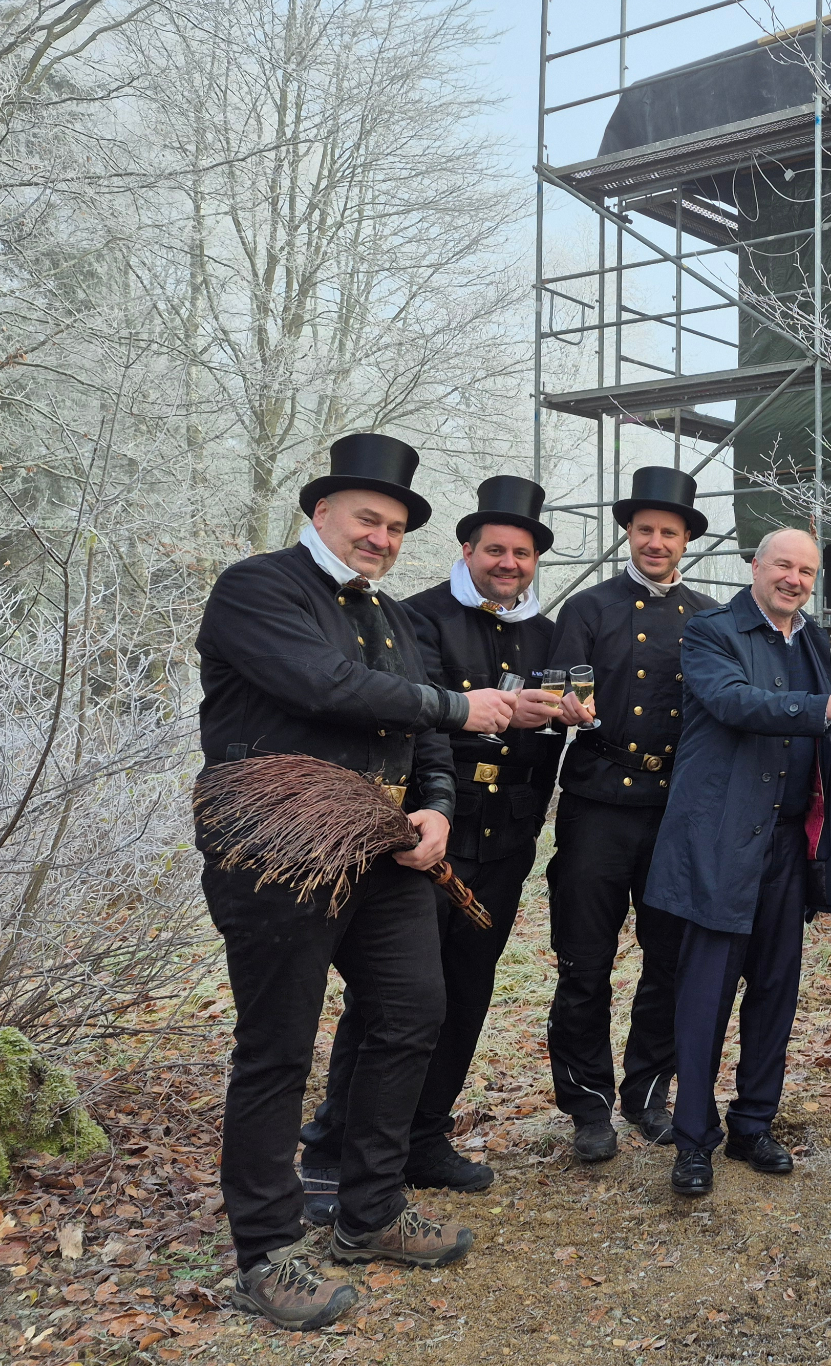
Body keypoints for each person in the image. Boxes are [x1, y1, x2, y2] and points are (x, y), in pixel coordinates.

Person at [195, 434, 515, 1329]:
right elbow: (325, 685)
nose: (380, 537)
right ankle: (265, 1250)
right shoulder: (258, 588)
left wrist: (439, 808)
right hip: (277, 847)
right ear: (320, 513)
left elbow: (429, 742)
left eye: (394, 526)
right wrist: (457, 704)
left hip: (382, 850)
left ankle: (368, 1212)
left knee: (413, 1012)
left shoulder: (395, 620)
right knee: (278, 1047)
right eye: (366, 519)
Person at [297, 477, 565, 1218]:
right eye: (496, 550)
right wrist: (498, 719)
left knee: (468, 992)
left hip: (507, 835)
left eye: (522, 553)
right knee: (395, 997)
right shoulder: (412, 617)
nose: (509, 563)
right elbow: (407, 720)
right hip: (423, 831)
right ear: (467, 549)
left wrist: (564, 712)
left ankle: (423, 1134)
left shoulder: (547, 634)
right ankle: (333, 1142)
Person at [644, 527, 831, 1197]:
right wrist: (824, 706)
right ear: (756, 565)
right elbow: (732, 704)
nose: (795, 578)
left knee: (775, 992)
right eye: (784, 564)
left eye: (806, 569)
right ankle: (694, 1140)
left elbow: (823, 734)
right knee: (704, 998)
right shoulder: (710, 631)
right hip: (721, 846)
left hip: (786, 846)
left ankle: (753, 1124)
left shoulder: (809, 636)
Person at [542, 467, 722, 1160]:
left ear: (685, 541)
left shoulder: (708, 617)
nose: (655, 541)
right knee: (584, 963)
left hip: (675, 812)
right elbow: (560, 699)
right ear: (629, 533)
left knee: (670, 959)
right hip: (597, 807)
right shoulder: (587, 610)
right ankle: (587, 1104)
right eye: (645, 530)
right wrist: (563, 710)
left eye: (668, 532)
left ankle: (649, 1091)